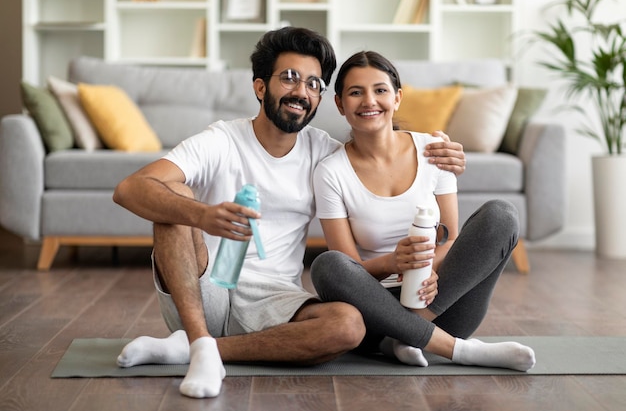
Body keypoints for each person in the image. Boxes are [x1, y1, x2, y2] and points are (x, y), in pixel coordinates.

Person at [112, 29, 468, 399]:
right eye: (289, 78)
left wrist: (435, 151)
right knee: (172, 195)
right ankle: (199, 336)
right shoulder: (220, 140)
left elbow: (378, 155)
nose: (301, 91)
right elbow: (129, 189)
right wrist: (202, 215)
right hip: (206, 288)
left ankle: (197, 349)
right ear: (261, 87)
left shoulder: (323, 152)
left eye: (313, 84)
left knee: (347, 326)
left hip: (276, 298)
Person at [310, 51, 536, 372]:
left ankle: (408, 333)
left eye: (380, 90)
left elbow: (451, 237)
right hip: (374, 310)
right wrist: (392, 262)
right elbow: (349, 264)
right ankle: (456, 350)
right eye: (356, 92)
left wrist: (428, 269)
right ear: (340, 104)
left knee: (501, 214)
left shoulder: (433, 150)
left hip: (440, 301)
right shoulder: (330, 171)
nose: (369, 100)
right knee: (327, 265)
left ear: (398, 97)